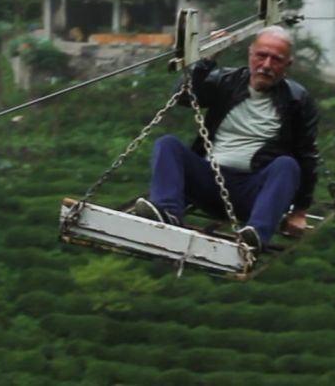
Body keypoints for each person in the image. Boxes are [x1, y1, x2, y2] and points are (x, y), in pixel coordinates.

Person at [134, 25, 319, 252]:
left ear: (287, 65)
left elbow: (307, 155)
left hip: (251, 192)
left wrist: (299, 211)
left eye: (276, 60)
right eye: (261, 56)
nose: (266, 65)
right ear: (250, 54)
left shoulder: (297, 100)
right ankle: (168, 213)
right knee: (167, 144)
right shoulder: (226, 81)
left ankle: (256, 235)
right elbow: (182, 96)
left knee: (287, 165)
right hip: (209, 180)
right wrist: (206, 60)